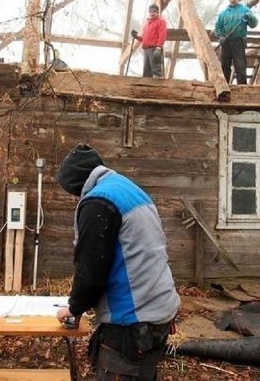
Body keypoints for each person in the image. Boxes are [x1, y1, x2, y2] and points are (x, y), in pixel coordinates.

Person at [55, 143, 180, 381]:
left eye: (73, 194)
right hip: (159, 308)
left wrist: (74, 307)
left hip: (132, 321)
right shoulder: (128, 189)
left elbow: (91, 268)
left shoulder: (98, 202)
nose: (75, 200)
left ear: (76, 184)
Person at [215, 0, 258, 85]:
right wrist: (220, 37)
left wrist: (250, 17)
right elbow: (218, 27)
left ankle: (242, 88)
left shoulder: (245, 10)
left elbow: (254, 24)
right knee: (225, 66)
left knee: (240, 66)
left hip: (238, 42)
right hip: (226, 42)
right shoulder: (223, 14)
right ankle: (225, 88)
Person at [131, 3, 167, 79]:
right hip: (146, 49)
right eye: (150, 11)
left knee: (156, 69)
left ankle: (158, 79)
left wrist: (159, 47)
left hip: (154, 48)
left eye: (154, 11)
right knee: (146, 71)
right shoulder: (147, 24)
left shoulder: (161, 22)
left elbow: (162, 35)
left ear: (158, 12)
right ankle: (146, 82)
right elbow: (144, 38)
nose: (152, 13)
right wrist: (137, 37)